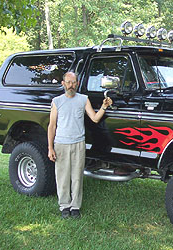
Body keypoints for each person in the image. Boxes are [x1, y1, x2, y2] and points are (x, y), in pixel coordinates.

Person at [47, 71, 112, 218]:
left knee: (77, 177)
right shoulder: (57, 101)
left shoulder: (83, 99)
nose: (71, 85)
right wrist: (50, 147)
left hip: (78, 144)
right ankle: (64, 206)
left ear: (77, 83)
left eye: (74, 82)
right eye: (68, 82)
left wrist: (104, 106)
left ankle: (75, 207)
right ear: (63, 84)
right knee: (62, 177)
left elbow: (95, 118)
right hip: (61, 144)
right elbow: (52, 126)